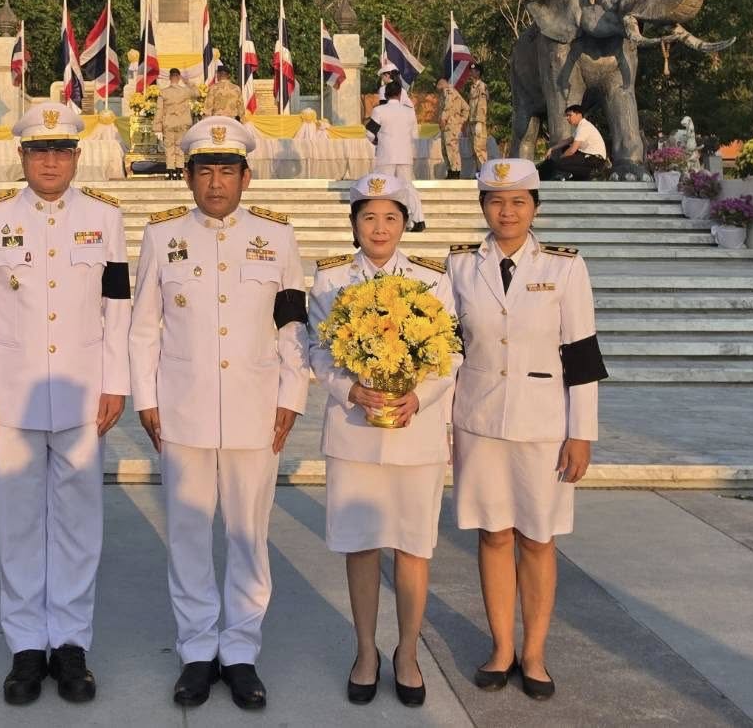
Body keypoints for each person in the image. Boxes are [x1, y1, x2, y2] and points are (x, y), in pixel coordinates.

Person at [129, 117, 308, 711]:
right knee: (186, 534)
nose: (215, 181)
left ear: (246, 176)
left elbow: (292, 325)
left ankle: (241, 651)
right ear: (187, 176)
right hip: (182, 408)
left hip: (257, 409)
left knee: (248, 534)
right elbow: (144, 326)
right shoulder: (162, 237)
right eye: (205, 169)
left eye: (227, 169)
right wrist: (146, 399)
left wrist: (292, 396)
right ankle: (198, 650)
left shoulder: (277, 239)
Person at [0, 101, 132, 706]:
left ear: (77, 156)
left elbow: (117, 308)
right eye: (40, 150)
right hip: (9, 396)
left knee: (80, 526)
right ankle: (27, 645)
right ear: (23, 156)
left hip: (85, 394)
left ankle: (71, 645)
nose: (51, 160)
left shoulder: (105, 219)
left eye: (61, 150)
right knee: (20, 524)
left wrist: (116, 382)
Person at [446, 158, 608, 701]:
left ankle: (534, 653)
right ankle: (501, 648)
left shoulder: (565, 267)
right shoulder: (459, 265)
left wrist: (581, 431)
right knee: (493, 534)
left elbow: (582, 356)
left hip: (545, 425)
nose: (507, 211)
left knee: (538, 538)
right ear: (484, 207)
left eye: (518, 201)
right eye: (496, 201)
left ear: (535, 207)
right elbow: (447, 349)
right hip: (479, 420)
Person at [307, 174, 457, 708]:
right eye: (368, 217)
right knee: (362, 544)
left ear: (404, 223)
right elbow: (319, 352)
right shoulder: (329, 281)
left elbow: (452, 352)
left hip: (415, 434)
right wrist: (352, 391)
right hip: (355, 435)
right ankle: (367, 650)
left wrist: (420, 397)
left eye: (390, 217)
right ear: (353, 224)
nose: (379, 227)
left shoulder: (432, 279)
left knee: (414, 546)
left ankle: (409, 652)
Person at [366, 79, 426, 231]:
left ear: (385, 95)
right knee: (407, 187)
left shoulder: (379, 110)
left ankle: (381, 221)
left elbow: (369, 133)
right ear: (400, 94)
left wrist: (377, 142)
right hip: (405, 155)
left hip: (386, 154)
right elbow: (415, 136)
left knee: (382, 188)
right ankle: (419, 220)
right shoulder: (409, 111)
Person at [538, 105, 608, 181]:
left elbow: (572, 150)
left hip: (595, 160)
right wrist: (551, 149)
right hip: (588, 157)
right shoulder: (581, 126)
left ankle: (593, 172)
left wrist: (560, 160)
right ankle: (580, 176)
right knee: (565, 148)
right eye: (566, 116)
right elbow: (568, 141)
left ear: (579, 115)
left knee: (560, 163)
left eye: (569, 115)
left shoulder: (584, 127)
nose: (567, 118)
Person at [158, 67, 198, 178]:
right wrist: (188, 83)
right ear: (178, 77)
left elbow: (159, 110)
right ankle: (179, 171)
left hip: (169, 123)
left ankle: (170, 172)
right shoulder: (185, 91)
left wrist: (157, 127)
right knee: (180, 148)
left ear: (170, 78)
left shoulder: (163, 92)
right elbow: (197, 93)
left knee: (169, 148)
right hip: (182, 123)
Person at [436, 77, 469, 179]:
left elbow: (448, 108)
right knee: (445, 150)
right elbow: (466, 107)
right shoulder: (444, 94)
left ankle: (455, 172)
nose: (436, 87)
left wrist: (459, 121)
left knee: (452, 149)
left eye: (437, 84)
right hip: (446, 127)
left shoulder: (449, 91)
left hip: (451, 126)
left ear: (441, 83)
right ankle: (450, 171)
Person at [467, 68, 490, 171]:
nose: (471, 73)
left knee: (480, 148)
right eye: (470, 71)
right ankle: (478, 172)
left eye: (473, 71)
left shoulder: (482, 86)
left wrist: (480, 122)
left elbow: (482, 104)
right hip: (472, 122)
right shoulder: (472, 87)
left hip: (478, 122)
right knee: (473, 149)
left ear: (478, 72)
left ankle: (484, 172)